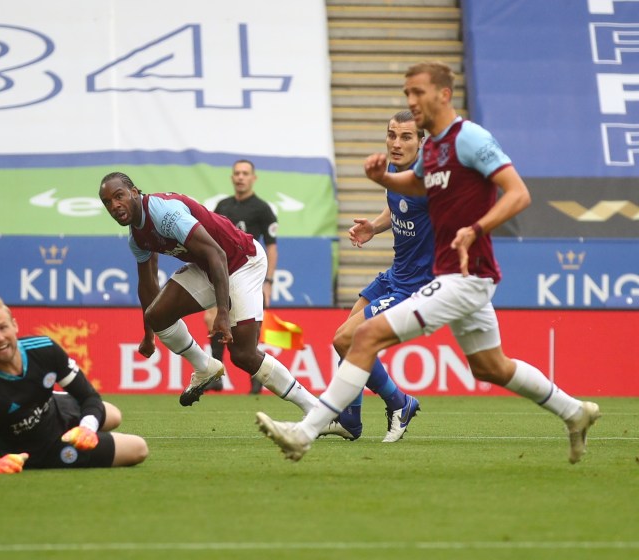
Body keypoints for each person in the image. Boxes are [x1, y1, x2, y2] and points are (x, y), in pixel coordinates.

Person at [256, 61, 600, 464]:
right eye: (407, 93)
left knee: (361, 337)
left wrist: (477, 228)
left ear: (443, 94)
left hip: (463, 276)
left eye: (418, 92)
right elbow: (416, 186)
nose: (411, 100)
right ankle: (576, 412)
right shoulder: (433, 147)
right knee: (491, 367)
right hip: (455, 277)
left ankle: (305, 432)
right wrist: (382, 179)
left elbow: (518, 194)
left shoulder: (469, 137)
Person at [98, 171, 319, 416]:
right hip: (208, 267)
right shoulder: (137, 238)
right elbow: (148, 283)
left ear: (134, 192)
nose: (114, 205)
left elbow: (218, 254)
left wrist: (222, 312)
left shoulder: (164, 213)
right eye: (107, 202)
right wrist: (149, 332)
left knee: (243, 355)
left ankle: (317, 410)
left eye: (119, 196)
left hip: (242, 262)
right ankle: (204, 367)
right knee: (157, 315)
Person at [316, 110, 431, 443]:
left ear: (422, 142)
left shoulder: (429, 183)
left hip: (415, 286)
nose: (396, 143)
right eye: (391, 135)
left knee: (344, 339)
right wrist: (374, 227)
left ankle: (400, 401)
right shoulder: (393, 171)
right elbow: (395, 207)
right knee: (346, 342)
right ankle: (350, 420)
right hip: (394, 274)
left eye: (406, 137)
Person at [0, 295, 149, 474]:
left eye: (3, 327)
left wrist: (87, 428)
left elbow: (89, 396)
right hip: (43, 451)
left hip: (56, 409)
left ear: (14, 325)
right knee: (139, 448)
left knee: (113, 414)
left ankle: (80, 426)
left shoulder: (44, 349)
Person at [203, 159, 278, 394]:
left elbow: (272, 247)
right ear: (232, 177)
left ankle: (257, 377)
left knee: (249, 328)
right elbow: (209, 240)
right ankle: (216, 375)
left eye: (245, 173)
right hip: (224, 274)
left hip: (250, 275)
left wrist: (268, 281)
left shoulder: (263, 209)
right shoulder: (223, 206)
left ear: (253, 178)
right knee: (211, 317)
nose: (241, 177)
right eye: (237, 173)